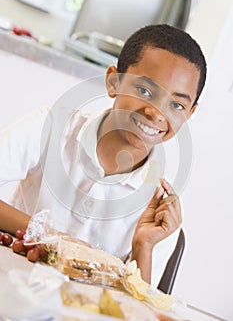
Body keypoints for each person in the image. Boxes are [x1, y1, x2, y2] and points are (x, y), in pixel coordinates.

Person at [0, 24, 206, 288]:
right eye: (145, 91)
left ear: (189, 113)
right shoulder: (51, 127)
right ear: (113, 82)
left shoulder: (159, 207)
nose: (156, 113)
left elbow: (138, 310)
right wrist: (52, 238)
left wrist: (143, 246)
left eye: (176, 105)